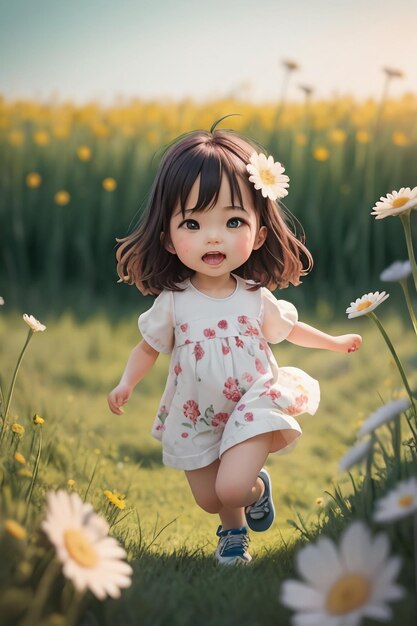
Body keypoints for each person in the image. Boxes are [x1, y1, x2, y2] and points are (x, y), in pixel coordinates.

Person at [107, 120, 362, 565]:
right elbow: (148, 347)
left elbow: (289, 329)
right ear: (167, 237)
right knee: (209, 496)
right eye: (192, 222)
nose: (213, 236)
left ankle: (235, 531)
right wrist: (127, 383)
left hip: (251, 401)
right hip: (195, 409)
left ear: (259, 232)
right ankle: (253, 493)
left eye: (233, 221)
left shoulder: (253, 297)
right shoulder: (174, 302)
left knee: (229, 489)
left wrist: (334, 343)